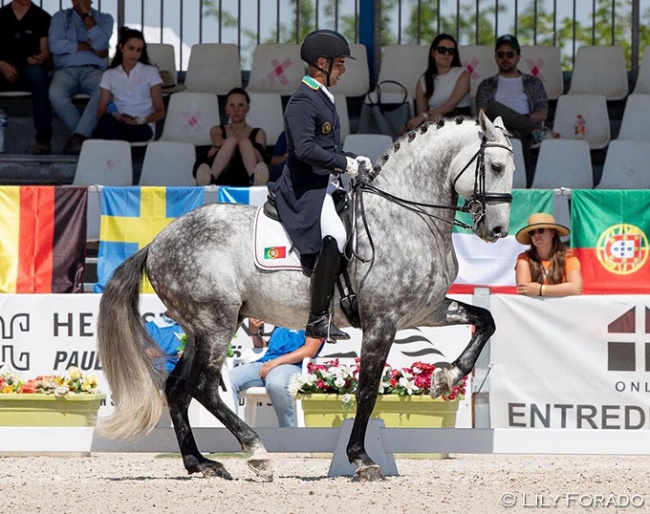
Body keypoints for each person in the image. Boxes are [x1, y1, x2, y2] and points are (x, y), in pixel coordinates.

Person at [275, 29, 372, 341]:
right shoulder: (303, 101)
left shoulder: (324, 98)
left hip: (326, 185)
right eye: (340, 64)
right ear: (322, 63)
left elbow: (328, 149)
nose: (343, 70)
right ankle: (317, 318)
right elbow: (303, 149)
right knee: (337, 233)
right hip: (306, 189)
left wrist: (354, 159)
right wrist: (344, 164)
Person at [475, 34, 555, 187]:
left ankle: (522, 185)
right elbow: (482, 114)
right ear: (495, 57)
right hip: (496, 129)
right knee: (494, 108)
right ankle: (534, 130)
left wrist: (515, 120)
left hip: (519, 131)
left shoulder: (533, 82)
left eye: (510, 54)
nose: (505, 58)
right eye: (501, 54)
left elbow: (542, 113)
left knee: (517, 134)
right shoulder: (487, 84)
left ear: (518, 56)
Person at [229, 318, 322, 427]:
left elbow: (310, 350)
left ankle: (286, 432)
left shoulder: (316, 316)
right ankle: (229, 432)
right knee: (229, 379)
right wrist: (254, 333)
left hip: (293, 365)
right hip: (266, 362)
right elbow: (267, 348)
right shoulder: (281, 316)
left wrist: (275, 363)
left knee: (276, 383)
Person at [48, 0, 113, 154]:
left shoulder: (105, 19)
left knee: (104, 90)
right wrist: (89, 46)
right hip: (65, 70)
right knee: (55, 93)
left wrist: (87, 16)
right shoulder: (60, 17)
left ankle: (78, 138)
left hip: (94, 70)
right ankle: (85, 136)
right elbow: (55, 45)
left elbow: (101, 45)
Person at [93, 27, 165, 142]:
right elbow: (101, 111)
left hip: (142, 126)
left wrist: (142, 120)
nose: (134, 54)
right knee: (107, 122)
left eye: (138, 50)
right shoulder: (109, 74)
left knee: (106, 132)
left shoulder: (150, 72)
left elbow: (160, 111)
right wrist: (116, 116)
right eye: (131, 48)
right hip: (118, 122)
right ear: (121, 48)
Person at [0, 0, 52, 154]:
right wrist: (2, 64)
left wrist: (41, 59)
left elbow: (46, 55)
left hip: (28, 70)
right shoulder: (2, 15)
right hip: (2, 68)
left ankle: (43, 139)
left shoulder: (42, 17)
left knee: (39, 75)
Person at [194, 87, 269, 187]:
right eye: (232, 105)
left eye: (241, 105)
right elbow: (218, 142)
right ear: (226, 109)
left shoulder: (258, 133)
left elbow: (261, 155)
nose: (236, 109)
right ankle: (210, 179)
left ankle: (255, 180)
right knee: (231, 142)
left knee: (245, 143)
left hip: (245, 175)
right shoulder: (217, 129)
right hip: (224, 173)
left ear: (248, 109)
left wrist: (248, 148)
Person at [403, 33, 471, 132]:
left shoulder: (462, 74)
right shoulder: (423, 81)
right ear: (433, 53)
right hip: (433, 121)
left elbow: (450, 106)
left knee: (436, 118)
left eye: (451, 51)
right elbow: (421, 114)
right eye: (442, 50)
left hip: (459, 119)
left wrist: (425, 115)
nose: (446, 54)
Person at [515, 212, 583, 297]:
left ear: (553, 233)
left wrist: (541, 289)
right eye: (532, 232)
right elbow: (524, 288)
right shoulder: (524, 258)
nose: (536, 235)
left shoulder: (568, 258)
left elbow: (576, 288)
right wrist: (561, 289)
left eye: (541, 230)